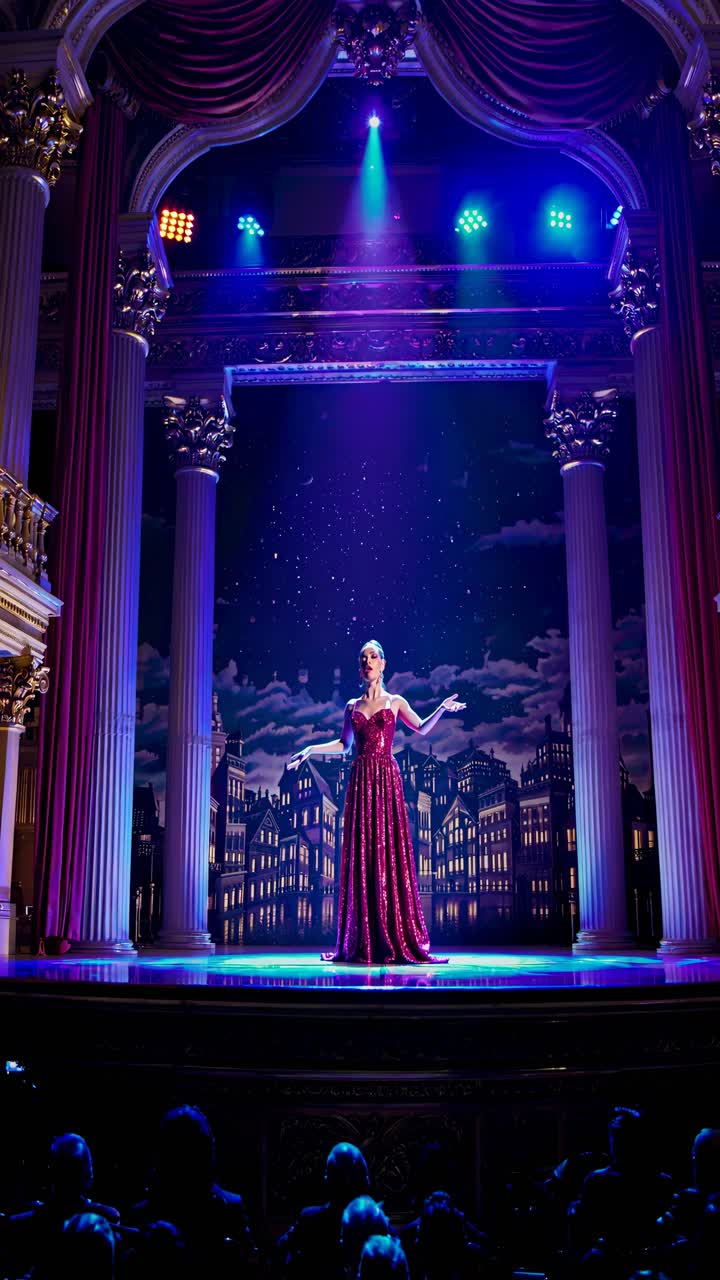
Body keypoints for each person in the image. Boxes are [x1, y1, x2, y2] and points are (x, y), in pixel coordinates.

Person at [289, 640, 465, 963]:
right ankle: (363, 937)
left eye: (373, 656)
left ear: (383, 664)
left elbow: (422, 729)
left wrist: (441, 708)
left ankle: (392, 936)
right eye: (363, 658)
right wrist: (310, 750)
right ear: (360, 668)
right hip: (361, 782)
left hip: (385, 781)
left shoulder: (395, 702)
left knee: (388, 853)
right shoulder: (352, 707)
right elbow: (344, 746)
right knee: (363, 854)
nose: (368, 661)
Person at [275, 1142, 371, 1280]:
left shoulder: (309, 1220)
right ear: (364, 1182)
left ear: (328, 1181)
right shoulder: (376, 1224)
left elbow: (280, 1251)